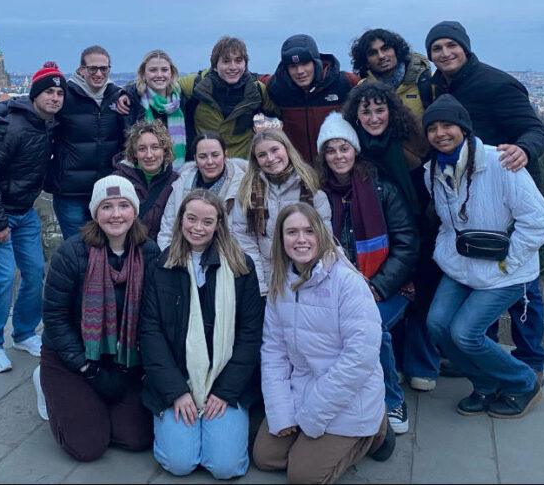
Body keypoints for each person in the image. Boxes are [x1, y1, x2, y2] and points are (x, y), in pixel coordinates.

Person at [426, 21, 544, 382]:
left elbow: (536, 130)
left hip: (507, 187)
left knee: (524, 285)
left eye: (452, 45)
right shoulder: (434, 86)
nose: (445, 53)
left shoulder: (497, 84)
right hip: (463, 191)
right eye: (437, 48)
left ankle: (531, 361)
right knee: (478, 278)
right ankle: (482, 351)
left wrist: (523, 151)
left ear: (465, 47)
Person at [253, 203, 395, 484]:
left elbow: (360, 359)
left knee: (303, 475)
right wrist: (283, 413)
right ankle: (315, 441)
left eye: (308, 231)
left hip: (350, 393)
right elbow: (274, 353)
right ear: (281, 240)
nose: (301, 239)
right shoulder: (280, 283)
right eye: (291, 232)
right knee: (266, 458)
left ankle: (375, 430)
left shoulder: (348, 282)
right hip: (303, 386)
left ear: (321, 234)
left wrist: (313, 415)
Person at [140, 189, 265, 480]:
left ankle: (215, 428)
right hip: (178, 379)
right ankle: (183, 429)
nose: (198, 227)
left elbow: (250, 335)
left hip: (225, 380)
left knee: (226, 467)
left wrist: (225, 391)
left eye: (207, 221)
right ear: (180, 219)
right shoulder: (161, 267)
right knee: (180, 463)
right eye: (191, 219)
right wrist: (176, 392)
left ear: (219, 224)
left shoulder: (241, 267)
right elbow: (151, 333)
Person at [39, 175, 160, 461]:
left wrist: (136, 369)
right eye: (107, 207)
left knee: (137, 437)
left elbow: (154, 315)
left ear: (135, 211)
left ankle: (92, 408)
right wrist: (86, 369)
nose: (116, 215)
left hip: (123, 359)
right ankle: (55, 392)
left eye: (123, 205)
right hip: (72, 357)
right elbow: (55, 318)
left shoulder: (150, 252)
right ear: (95, 212)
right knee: (87, 446)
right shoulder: (72, 253)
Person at [316, 112, 420, 435]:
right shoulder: (318, 193)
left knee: (371, 328)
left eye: (343, 148)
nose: (338, 156)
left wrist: (377, 286)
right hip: (339, 289)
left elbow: (407, 244)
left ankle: (392, 400)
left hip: (389, 287)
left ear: (355, 150)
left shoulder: (381, 187)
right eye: (330, 150)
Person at [342, 82, 440, 392]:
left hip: (422, 227)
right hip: (381, 235)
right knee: (390, 291)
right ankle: (394, 363)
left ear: (392, 112)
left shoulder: (411, 143)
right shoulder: (353, 149)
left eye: (380, 110)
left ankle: (422, 365)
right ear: (356, 117)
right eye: (366, 111)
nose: (373, 118)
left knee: (422, 297)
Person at [0, 61, 64, 372]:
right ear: (35, 95)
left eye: (59, 93)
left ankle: (23, 333)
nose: (55, 97)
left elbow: (7, 103)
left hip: (24, 211)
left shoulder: (48, 124)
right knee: (2, 278)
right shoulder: (10, 128)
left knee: (35, 273)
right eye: (48, 92)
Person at [0, 45, 126, 240]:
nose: (99, 73)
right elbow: (22, 103)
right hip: (70, 192)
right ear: (81, 70)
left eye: (104, 69)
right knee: (77, 251)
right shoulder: (65, 95)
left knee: (108, 249)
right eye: (93, 68)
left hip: (106, 192)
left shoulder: (117, 96)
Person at [229, 129, 332, 296]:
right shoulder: (247, 194)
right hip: (269, 281)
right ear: (256, 160)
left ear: (286, 149)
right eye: (262, 155)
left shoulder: (311, 190)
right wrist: (260, 286)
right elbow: (246, 243)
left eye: (275, 150)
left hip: (308, 279)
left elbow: (325, 240)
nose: (270, 158)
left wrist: (313, 279)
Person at [176, 36, 281, 160]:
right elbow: (166, 89)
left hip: (242, 167)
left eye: (238, 61)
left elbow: (284, 109)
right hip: (205, 164)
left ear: (245, 64)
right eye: (226, 61)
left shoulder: (256, 90)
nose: (233, 67)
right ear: (214, 66)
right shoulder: (195, 86)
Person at [263, 33, 360, 164]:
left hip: (338, 168)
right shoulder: (278, 88)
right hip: (299, 171)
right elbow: (254, 81)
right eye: (293, 66)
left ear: (316, 63)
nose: (300, 71)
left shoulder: (345, 83)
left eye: (305, 64)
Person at [158, 131, 248, 251]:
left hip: (226, 257)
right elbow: (168, 229)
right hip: (183, 256)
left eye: (215, 155)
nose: (210, 162)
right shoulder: (181, 183)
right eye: (203, 156)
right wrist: (171, 259)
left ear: (225, 156)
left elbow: (244, 237)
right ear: (195, 159)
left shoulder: (242, 186)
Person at [112, 119, 181, 242]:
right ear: (134, 153)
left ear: (164, 150)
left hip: (160, 252)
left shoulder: (177, 182)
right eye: (142, 149)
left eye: (155, 147)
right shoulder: (117, 180)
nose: (149, 155)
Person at [350, 28, 433, 124]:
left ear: (396, 51)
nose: (381, 56)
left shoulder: (426, 81)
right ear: (365, 61)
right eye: (373, 53)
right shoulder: (361, 90)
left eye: (385, 49)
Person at [123, 49, 190, 162]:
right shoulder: (133, 101)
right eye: (153, 70)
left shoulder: (182, 100)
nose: (159, 75)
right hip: (143, 168)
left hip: (179, 170)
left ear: (171, 73)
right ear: (143, 74)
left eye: (164, 70)